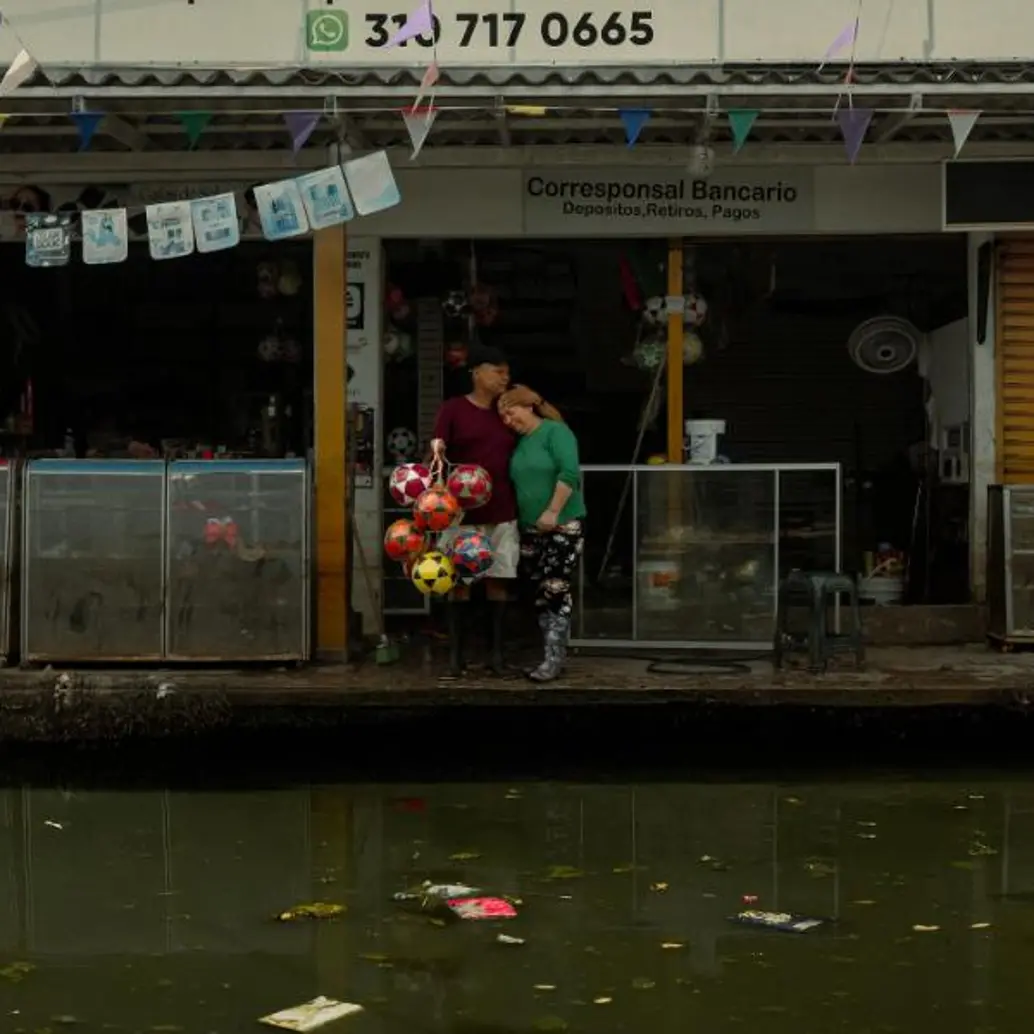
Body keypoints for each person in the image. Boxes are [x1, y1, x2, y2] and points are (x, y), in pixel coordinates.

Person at [431, 344, 518, 677]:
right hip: (461, 515)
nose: (504, 378)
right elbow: (437, 450)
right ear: (478, 372)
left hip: (502, 510)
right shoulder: (453, 409)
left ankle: (496, 657)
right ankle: (456, 659)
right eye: (498, 371)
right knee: (459, 582)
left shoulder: (509, 409)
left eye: (507, 373)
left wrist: (532, 398)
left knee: (499, 581)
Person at [497, 385, 586, 683]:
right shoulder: (521, 443)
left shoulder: (555, 432)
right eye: (503, 417)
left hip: (562, 523)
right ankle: (551, 654)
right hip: (530, 529)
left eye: (511, 413)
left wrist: (552, 511)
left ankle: (553, 659)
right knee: (537, 592)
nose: (508, 421)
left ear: (527, 406)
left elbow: (569, 473)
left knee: (555, 587)